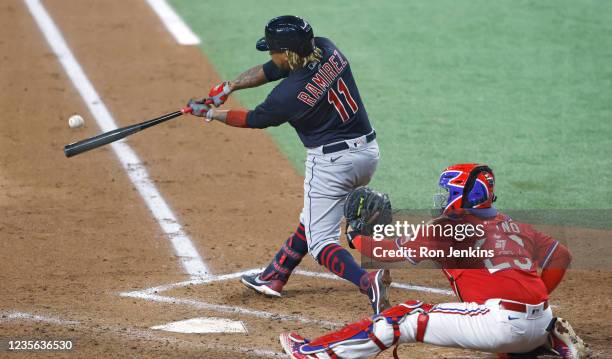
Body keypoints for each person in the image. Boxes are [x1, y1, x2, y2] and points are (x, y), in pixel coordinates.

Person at [187, 15, 390, 314]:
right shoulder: (327, 48)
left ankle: (366, 280)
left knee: (322, 244)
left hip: (332, 164)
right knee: (314, 214)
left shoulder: (287, 96)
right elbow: (271, 71)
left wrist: (209, 113)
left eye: (272, 50)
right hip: (367, 153)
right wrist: (231, 86)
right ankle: (274, 275)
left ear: (286, 53)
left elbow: (254, 119)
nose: (270, 55)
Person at [279, 163, 589, 358]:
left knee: (404, 317)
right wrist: (536, 306)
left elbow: (384, 251)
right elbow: (562, 255)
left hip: (500, 326)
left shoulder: (448, 227)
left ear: (462, 196)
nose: (442, 199)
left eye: (447, 192)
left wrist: (356, 234)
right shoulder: (515, 226)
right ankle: (544, 342)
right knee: (510, 309)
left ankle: (315, 354)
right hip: (541, 321)